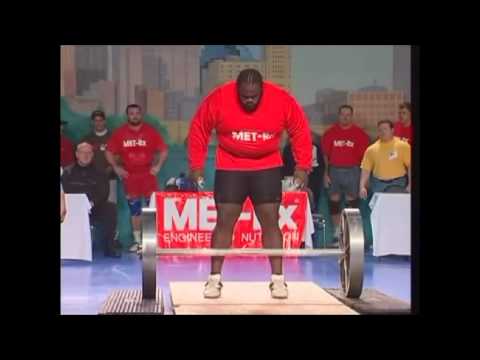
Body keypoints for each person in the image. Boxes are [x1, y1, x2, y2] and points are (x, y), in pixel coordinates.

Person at [187, 69, 312, 299]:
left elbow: (300, 130)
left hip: (267, 166)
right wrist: (196, 167)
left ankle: (278, 281)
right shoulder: (219, 98)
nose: (249, 100)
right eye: (244, 96)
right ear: (238, 90)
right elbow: (199, 129)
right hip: (230, 165)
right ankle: (214, 279)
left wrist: (302, 167)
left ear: (262, 90)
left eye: (254, 96)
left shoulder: (282, 99)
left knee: (271, 222)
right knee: (224, 221)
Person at [106, 104, 169, 252]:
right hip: (130, 176)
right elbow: (108, 151)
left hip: (148, 176)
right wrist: (116, 167)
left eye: (137, 113)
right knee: (135, 211)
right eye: (131, 113)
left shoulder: (150, 131)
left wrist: (158, 166)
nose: (134, 115)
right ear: (127, 116)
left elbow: (164, 150)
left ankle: (151, 242)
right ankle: (137, 242)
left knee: (151, 209)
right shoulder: (120, 133)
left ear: (141, 115)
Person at [62, 143, 121, 258]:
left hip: (94, 207)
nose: (86, 155)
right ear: (77, 154)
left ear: (93, 155)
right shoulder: (68, 171)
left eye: (89, 153)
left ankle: (109, 247)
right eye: (83, 152)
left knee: (110, 209)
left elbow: (104, 192)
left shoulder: (100, 172)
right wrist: (77, 204)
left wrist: (91, 203)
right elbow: (64, 190)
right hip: (73, 209)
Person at [321, 105, 370, 245]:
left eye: (348, 114)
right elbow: (325, 156)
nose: (345, 117)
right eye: (343, 114)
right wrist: (326, 173)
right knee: (334, 201)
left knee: (352, 202)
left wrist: (363, 179)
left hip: (353, 170)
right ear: (339, 115)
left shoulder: (360, 134)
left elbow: (364, 159)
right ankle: (337, 234)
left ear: (352, 116)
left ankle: (350, 236)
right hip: (334, 169)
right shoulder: (330, 133)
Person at [359, 120, 411, 198]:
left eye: (385, 129)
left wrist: (410, 185)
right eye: (380, 130)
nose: (382, 132)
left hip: (398, 183)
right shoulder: (371, 149)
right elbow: (365, 170)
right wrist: (362, 187)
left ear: (392, 130)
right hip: (378, 184)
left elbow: (410, 166)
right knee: (380, 209)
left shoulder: (403, 146)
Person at [282, 131, 325, 213]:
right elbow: (284, 169)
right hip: (291, 182)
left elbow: (320, 167)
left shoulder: (315, 148)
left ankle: (312, 220)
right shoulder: (287, 149)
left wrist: (311, 185)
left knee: (311, 204)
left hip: (312, 181)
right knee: (293, 207)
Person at [82, 110, 118, 204]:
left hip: (110, 179)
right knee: (92, 206)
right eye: (96, 120)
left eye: (100, 120)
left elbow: (120, 155)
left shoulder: (113, 137)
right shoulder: (87, 139)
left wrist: (111, 167)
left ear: (105, 121)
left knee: (110, 205)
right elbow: (82, 158)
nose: (98, 123)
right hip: (91, 180)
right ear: (92, 122)